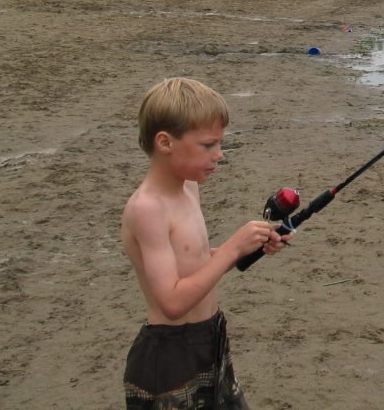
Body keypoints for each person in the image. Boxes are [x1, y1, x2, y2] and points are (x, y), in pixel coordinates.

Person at [121, 78, 290, 408]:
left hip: (209, 338)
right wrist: (230, 249)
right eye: (208, 145)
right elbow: (171, 301)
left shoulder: (188, 188)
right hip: (169, 357)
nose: (219, 154)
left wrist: (246, 248)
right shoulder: (147, 209)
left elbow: (195, 263)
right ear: (165, 142)